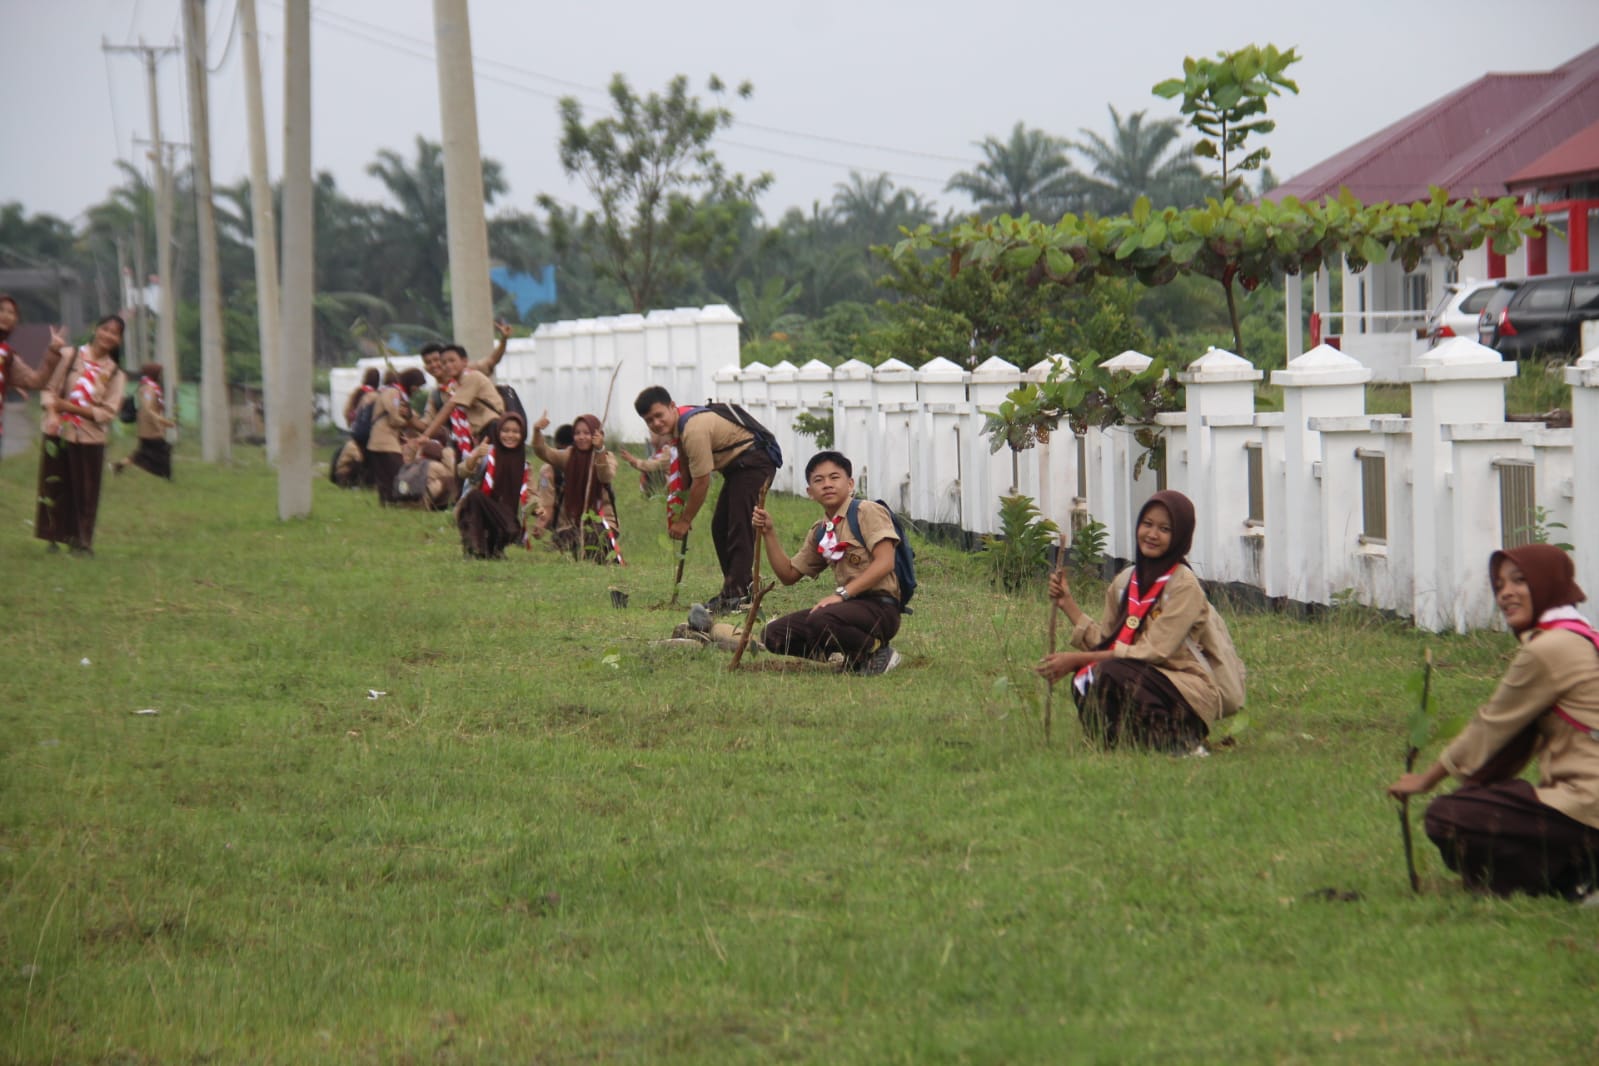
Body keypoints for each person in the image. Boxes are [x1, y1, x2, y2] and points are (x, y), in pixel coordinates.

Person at [1387, 544, 1599, 901]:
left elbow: (1491, 726)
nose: (1506, 594)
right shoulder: (1582, 637)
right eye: (1499, 585)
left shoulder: (1548, 649)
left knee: (1449, 816)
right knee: (1489, 799)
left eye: (1520, 581)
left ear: (1548, 583)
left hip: (1588, 807)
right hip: (1584, 805)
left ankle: (1574, 877)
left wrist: (1426, 779)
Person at [1035, 490, 1221, 753]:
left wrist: (1076, 659)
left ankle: (1181, 742)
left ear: (1180, 536)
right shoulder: (1125, 581)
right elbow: (1108, 642)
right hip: (1136, 674)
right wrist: (1067, 602)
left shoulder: (1184, 585)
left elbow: (1153, 652)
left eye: (1164, 529)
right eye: (1147, 524)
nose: (1152, 534)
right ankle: (1115, 744)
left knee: (1110, 671)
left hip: (1182, 688)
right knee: (1086, 677)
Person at [751, 450, 903, 675]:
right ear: (810, 492)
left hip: (880, 608)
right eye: (818, 480)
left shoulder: (866, 511)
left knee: (821, 618)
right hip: (847, 610)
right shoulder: (821, 530)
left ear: (850, 483)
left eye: (835, 477)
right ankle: (849, 656)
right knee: (773, 636)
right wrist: (769, 533)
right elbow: (788, 575)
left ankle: (876, 650)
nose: (827, 484)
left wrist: (841, 595)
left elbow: (885, 563)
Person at [634, 385, 777, 613]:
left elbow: (702, 482)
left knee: (739, 526)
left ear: (672, 407)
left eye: (659, 415)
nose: (656, 423)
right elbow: (685, 466)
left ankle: (736, 595)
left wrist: (685, 520)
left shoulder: (693, 430)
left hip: (754, 463)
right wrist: (680, 506)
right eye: (649, 420)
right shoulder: (679, 425)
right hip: (737, 468)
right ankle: (738, 589)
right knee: (720, 526)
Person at [35, 315, 128, 556]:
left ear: (119, 340)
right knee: (54, 484)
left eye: (115, 333)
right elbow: (49, 390)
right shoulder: (69, 356)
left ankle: (82, 541)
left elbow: (107, 412)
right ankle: (53, 536)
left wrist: (72, 408)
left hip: (90, 438)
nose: (108, 335)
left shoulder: (116, 373)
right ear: (96, 330)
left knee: (86, 491)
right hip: (58, 432)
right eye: (105, 329)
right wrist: (54, 414)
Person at [531, 411, 620, 563]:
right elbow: (544, 452)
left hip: (601, 520)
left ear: (597, 434)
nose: (581, 437)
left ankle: (597, 559)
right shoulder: (568, 456)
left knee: (595, 534)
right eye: (577, 433)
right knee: (568, 536)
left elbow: (605, 476)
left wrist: (599, 451)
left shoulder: (607, 456)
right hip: (572, 522)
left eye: (587, 433)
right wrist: (537, 431)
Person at [456, 412, 529, 559]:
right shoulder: (487, 453)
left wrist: (538, 509)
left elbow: (530, 492)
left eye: (515, 432)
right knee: (474, 497)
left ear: (522, 435)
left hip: (507, 517)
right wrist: (475, 456)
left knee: (510, 529)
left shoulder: (524, 463)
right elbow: (462, 471)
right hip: (483, 509)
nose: (510, 435)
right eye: (505, 431)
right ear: (498, 432)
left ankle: (495, 550)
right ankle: (475, 548)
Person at [0, 296, 66, 459]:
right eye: (1, 310)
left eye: (12, 313)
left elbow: (36, 381)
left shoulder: (8, 355)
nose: (7, 316)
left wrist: (53, 350)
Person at [423, 343, 504, 462]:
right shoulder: (439, 393)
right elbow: (427, 421)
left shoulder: (471, 376)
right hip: (473, 436)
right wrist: (409, 419)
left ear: (464, 361)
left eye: (451, 361)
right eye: (444, 363)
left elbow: (450, 406)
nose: (435, 365)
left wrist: (425, 436)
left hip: (490, 429)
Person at [366, 368, 427, 505]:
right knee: (398, 473)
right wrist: (406, 420)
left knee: (386, 476)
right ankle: (398, 501)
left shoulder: (398, 395)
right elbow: (394, 419)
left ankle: (389, 503)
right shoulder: (393, 393)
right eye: (416, 385)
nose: (417, 390)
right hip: (384, 442)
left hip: (382, 442)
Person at [113, 363, 176, 479]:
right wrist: (161, 421)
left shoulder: (148, 386)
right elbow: (148, 408)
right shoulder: (148, 388)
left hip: (148, 425)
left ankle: (119, 465)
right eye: (159, 373)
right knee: (163, 449)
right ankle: (165, 475)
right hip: (150, 426)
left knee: (143, 452)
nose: (160, 376)